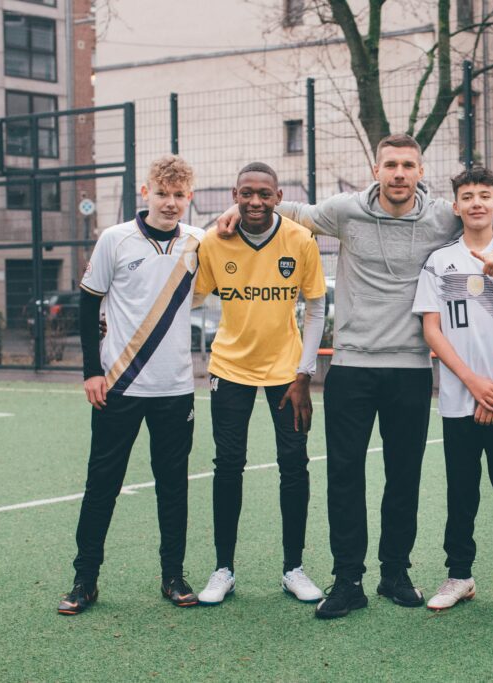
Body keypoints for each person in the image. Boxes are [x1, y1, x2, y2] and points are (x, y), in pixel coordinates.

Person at [214, 134, 493, 618]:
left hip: (410, 367)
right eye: (390, 165)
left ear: (420, 171)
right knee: (345, 476)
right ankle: (348, 580)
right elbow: (286, 208)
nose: (399, 173)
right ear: (375, 169)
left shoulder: (442, 215)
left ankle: (395, 573)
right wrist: (234, 211)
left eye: (408, 165)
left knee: (403, 477)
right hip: (352, 365)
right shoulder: (345, 210)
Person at [59, 155, 203, 614]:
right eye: (162, 193)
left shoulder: (199, 243)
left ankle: (173, 575)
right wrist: (91, 371)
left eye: (178, 195)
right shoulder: (115, 239)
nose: (170, 203)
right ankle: (85, 580)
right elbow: (88, 306)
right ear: (145, 193)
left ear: (189, 197)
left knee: (173, 486)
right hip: (118, 387)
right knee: (102, 484)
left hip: (175, 389)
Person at [194, 162, 327, 606]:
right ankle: (223, 569)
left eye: (264, 194)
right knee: (228, 464)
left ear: (278, 196)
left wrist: (305, 372)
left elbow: (316, 307)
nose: (255, 201)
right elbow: (190, 297)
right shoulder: (214, 240)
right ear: (235, 195)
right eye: (246, 193)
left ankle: (293, 568)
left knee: (294, 464)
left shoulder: (300, 239)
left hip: (287, 373)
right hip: (229, 368)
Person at [412, 167, 493, 613]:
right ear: (456, 206)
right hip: (459, 400)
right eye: (467, 197)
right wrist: (472, 383)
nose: (476, 203)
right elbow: (432, 329)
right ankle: (459, 576)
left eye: (484, 195)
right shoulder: (439, 261)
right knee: (461, 492)